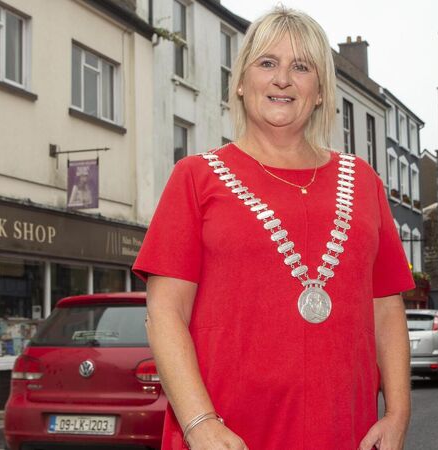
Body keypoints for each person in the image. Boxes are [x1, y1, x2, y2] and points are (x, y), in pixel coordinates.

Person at [132, 6, 414, 450]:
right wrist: (200, 424)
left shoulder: (364, 181)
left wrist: (398, 413)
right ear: (241, 82)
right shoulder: (194, 177)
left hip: (346, 435)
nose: (283, 79)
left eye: (301, 67)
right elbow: (165, 313)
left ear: (319, 91)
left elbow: (386, 308)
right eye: (267, 63)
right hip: (227, 437)